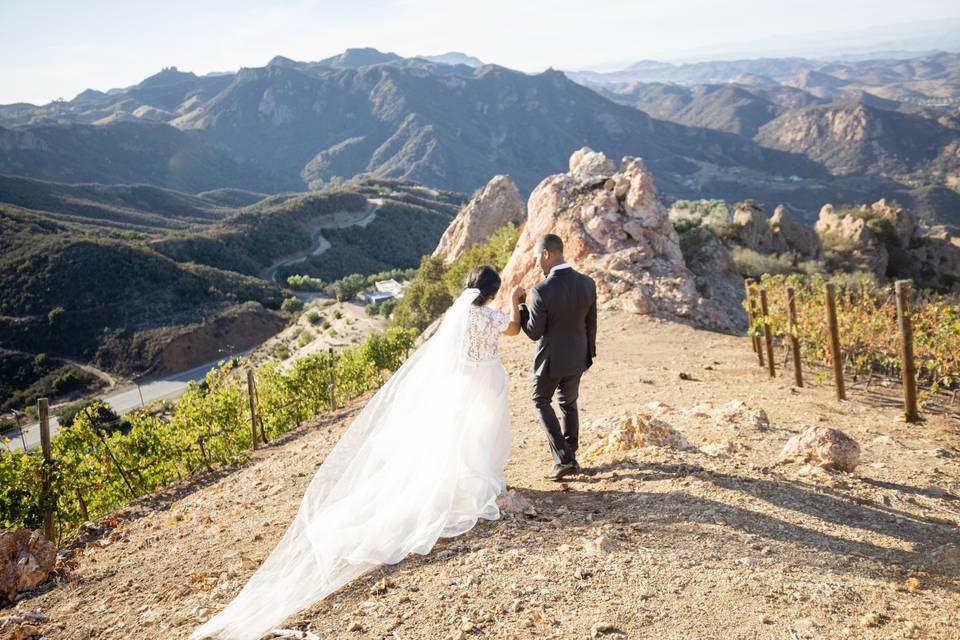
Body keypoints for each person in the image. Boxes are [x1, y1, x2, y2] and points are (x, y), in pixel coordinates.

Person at [190, 266, 526, 640]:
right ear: (493, 292)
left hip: (462, 382)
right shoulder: (491, 314)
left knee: (460, 436)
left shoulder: (457, 315)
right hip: (485, 381)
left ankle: (466, 479)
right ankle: (480, 483)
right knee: (482, 435)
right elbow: (513, 329)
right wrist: (515, 302)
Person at [518, 234, 598, 481]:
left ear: (546, 254)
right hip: (578, 356)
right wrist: (588, 356)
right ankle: (570, 454)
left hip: (550, 361)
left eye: (537, 258)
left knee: (540, 400)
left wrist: (521, 306)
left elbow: (533, 332)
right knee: (568, 403)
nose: (536, 264)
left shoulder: (541, 290)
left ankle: (564, 459)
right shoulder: (587, 283)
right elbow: (591, 323)